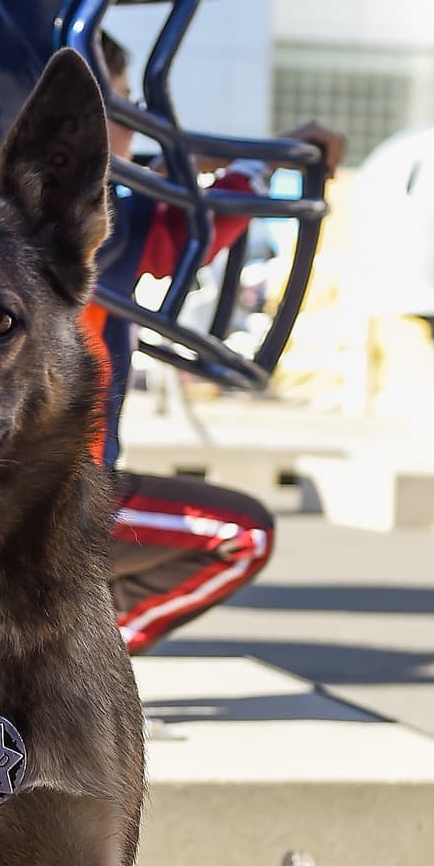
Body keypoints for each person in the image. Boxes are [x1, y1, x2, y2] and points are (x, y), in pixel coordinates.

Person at [91, 33, 346, 653]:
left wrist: (244, 163)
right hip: (42, 501)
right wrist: (257, 166)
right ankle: (67, 670)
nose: (134, 127)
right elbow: (184, 234)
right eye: (120, 107)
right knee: (242, 535)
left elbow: (172, 228)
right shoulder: (72, 221)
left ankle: (39, 659)